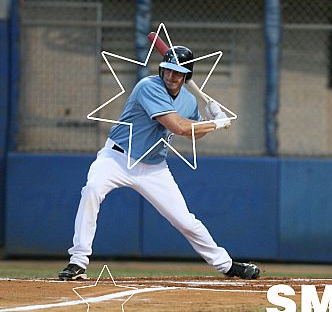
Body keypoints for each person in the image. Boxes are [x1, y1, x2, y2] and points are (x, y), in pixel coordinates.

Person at [58, 46, 260, 281]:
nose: (171, 76)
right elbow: (178, 126)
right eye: (168, 70)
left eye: (177, 72)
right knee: (92, 191)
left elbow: (194, 133)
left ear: (186, 75)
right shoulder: (148, 86)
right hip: (117, 158)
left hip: (153, 167)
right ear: (162, 69)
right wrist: (218, 125)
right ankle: (78, 261)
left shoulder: (188, 100)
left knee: (185, 220)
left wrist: (209, 118)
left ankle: (226, 265)